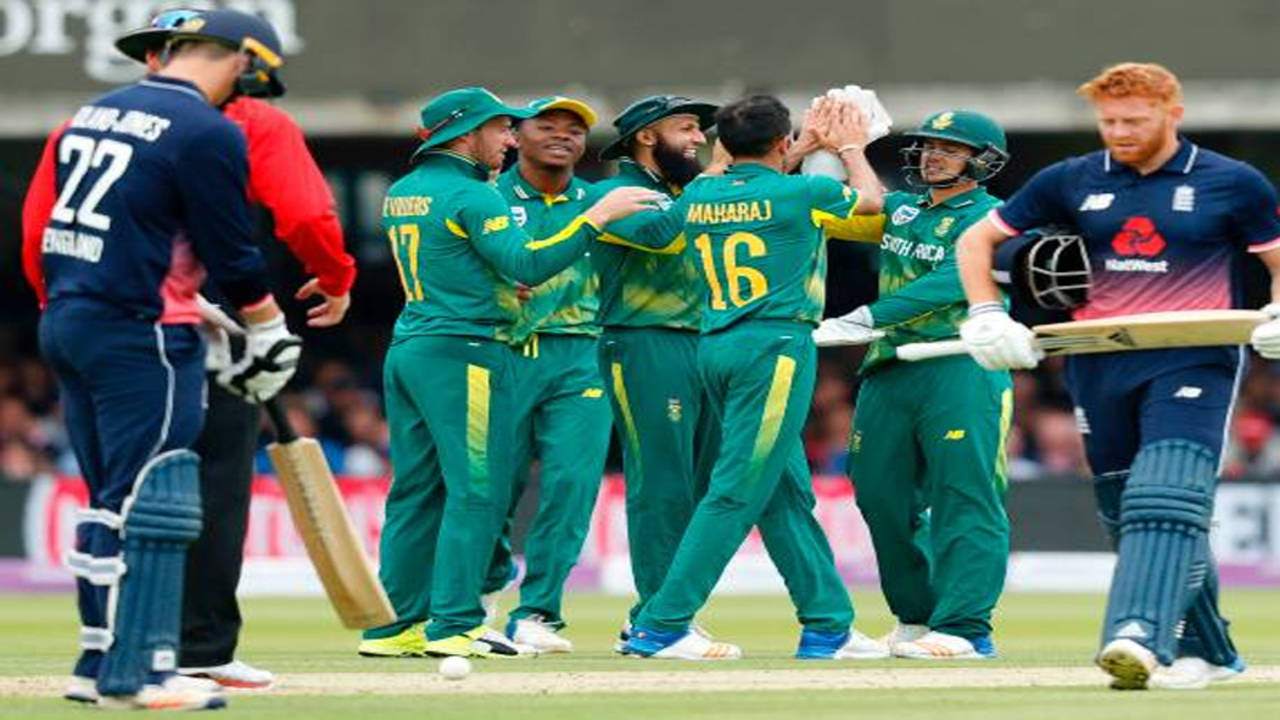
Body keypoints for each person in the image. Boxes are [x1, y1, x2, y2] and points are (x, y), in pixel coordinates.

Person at [953, 62, 1280, 689]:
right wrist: (987, 316)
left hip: (1196, 351)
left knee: (1165, 495)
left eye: (1135, 120)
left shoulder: (1232, 182)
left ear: (1172, 115)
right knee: (1123, 505)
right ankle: (1209, 651)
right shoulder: (1072, 179)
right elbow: (977, 242)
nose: (1120, 132)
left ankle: (1137, 635)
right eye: (1109, 122)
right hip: (1098, 356)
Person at [21, 9, 299, 710]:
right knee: (157, 498)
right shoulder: (206, 129)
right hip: (140, 332)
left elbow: (95, 225)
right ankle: (139, 671)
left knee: (112, 495)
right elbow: (232, 248)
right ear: (239, 60)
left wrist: (190, 301)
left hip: (71, 316)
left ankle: (97, 664)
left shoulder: (98, 110)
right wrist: (265, 330)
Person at [356, 86, 659, 659]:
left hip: (413, 346)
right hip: (467, 350)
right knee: (478, 491)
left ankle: (393, 627)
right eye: (501, 129)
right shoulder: (478, 195)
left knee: (416, 491)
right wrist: (594, 217)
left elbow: (464, 262)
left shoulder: (404, 192)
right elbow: (530, 263)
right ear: (466, 133)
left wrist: (496, 280)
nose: (509, 139)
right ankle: (455, 623)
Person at [104, 9, 354, 689]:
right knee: (213, 481)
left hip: (113, 316)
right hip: (215, 313)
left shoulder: (103, 117)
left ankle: (116, 643)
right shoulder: (253, 124)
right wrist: (334, 281)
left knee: (126, 481)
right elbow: (306, 214)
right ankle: (198, 648)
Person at [615, 94, 888, 659]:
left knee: (784, 493)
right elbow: (871, 202)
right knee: (736, 492)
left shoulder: (701, 193)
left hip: (715, 348)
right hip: (775, 348)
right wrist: (850, 146)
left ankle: (828, 625)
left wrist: (801, 146)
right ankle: (661, 623)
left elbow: (752, 186)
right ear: (781, 144)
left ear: (722, 146)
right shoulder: (804, 192)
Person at [812, 110, 1014, 659]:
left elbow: (951, 282)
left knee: (965, 496)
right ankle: (917, 618)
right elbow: (836, 212)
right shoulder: (902, 210)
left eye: (949, 149)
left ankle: (967, 628)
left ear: (982, 160)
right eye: (927, 146)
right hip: (890, 369)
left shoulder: (995, 217)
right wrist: (843, 148)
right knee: (878, 495)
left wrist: (864, 318)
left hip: (961, 364)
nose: (932, 156)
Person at [476, 96, 613, 654]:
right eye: (547, 126)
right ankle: (478, 600)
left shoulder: (602, 202)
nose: (563, 136)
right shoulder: (486, 197)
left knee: (571, 488)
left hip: (581, 355)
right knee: (489, 489)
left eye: (575, 130)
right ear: (516, 136)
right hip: (504, 354)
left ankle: (538, 613)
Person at [588, 95, 721, 647]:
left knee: (699, 486)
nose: (699, 139)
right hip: (644, 344)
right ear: (647, 136)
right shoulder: (611, 194)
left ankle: (663, 611)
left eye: (702, 130)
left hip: (705, 344)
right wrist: (713, 180)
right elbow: (661, 236)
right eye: (686, 128)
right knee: (661, 484)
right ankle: (657, 619)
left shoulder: (682, 191)